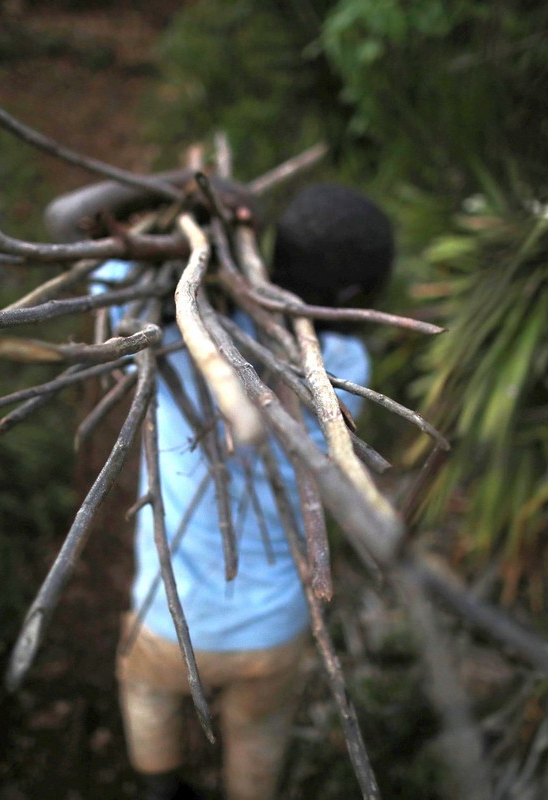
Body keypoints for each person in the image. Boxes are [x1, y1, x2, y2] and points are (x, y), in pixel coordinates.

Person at [45, 179, 395, 800]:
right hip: (276, 628)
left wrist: (177, 191)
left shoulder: (169, 331)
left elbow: (63, 218)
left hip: (170, 617)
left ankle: (159, 790)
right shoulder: (345, 366)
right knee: (259, 741)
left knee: (148, 697)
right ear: (354, 297)